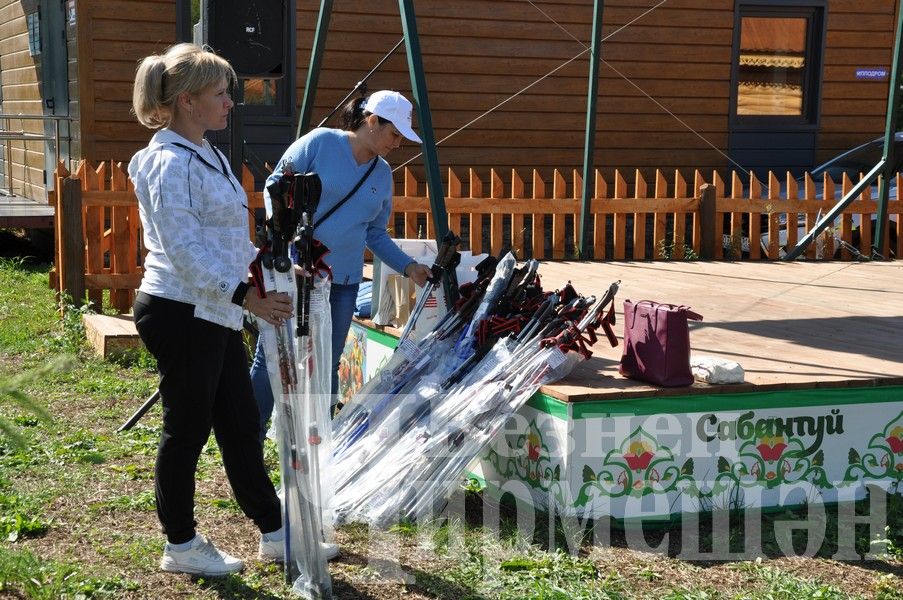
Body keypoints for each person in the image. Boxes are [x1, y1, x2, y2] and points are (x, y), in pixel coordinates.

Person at [128, 43, 292, 577]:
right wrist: (247, 296)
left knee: (241, 424)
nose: (229, 103)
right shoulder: (166, 161)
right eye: (220, 94)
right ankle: (180, 544)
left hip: (213, 309)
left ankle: (273, 530)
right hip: (179, 308)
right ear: (186, 100)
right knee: (188, 429)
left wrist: (270, 265)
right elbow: (184, 248)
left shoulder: (210, 154)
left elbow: (224, 239)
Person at [250, 89, 431, 439]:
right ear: (372, 121)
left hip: (343, 283)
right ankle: (249, 435)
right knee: (274, 354)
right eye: (394, 134)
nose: (397, 143)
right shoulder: (320, 143)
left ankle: (316, 441)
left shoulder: (382, 174)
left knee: (329, 364)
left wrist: (409, 267)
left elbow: (375, 234)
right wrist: (284, 246)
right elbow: (276, 187)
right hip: (296, 273)